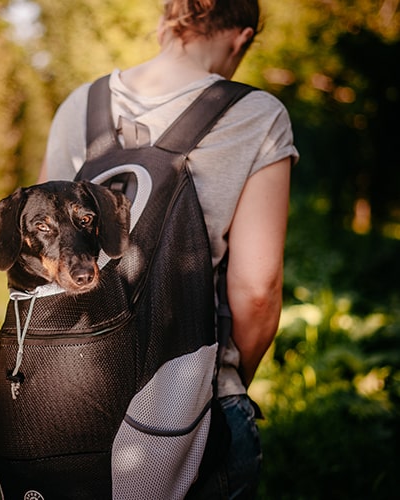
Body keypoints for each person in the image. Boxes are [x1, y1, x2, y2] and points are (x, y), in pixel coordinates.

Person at [39, 0, 299, 497]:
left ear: (166, 22)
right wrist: (230, 381)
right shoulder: (259, 115)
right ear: (242, 38)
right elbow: (258, 290)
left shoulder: (79, 104)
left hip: (76, 393)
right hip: (192, 404)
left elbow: (43, 262)